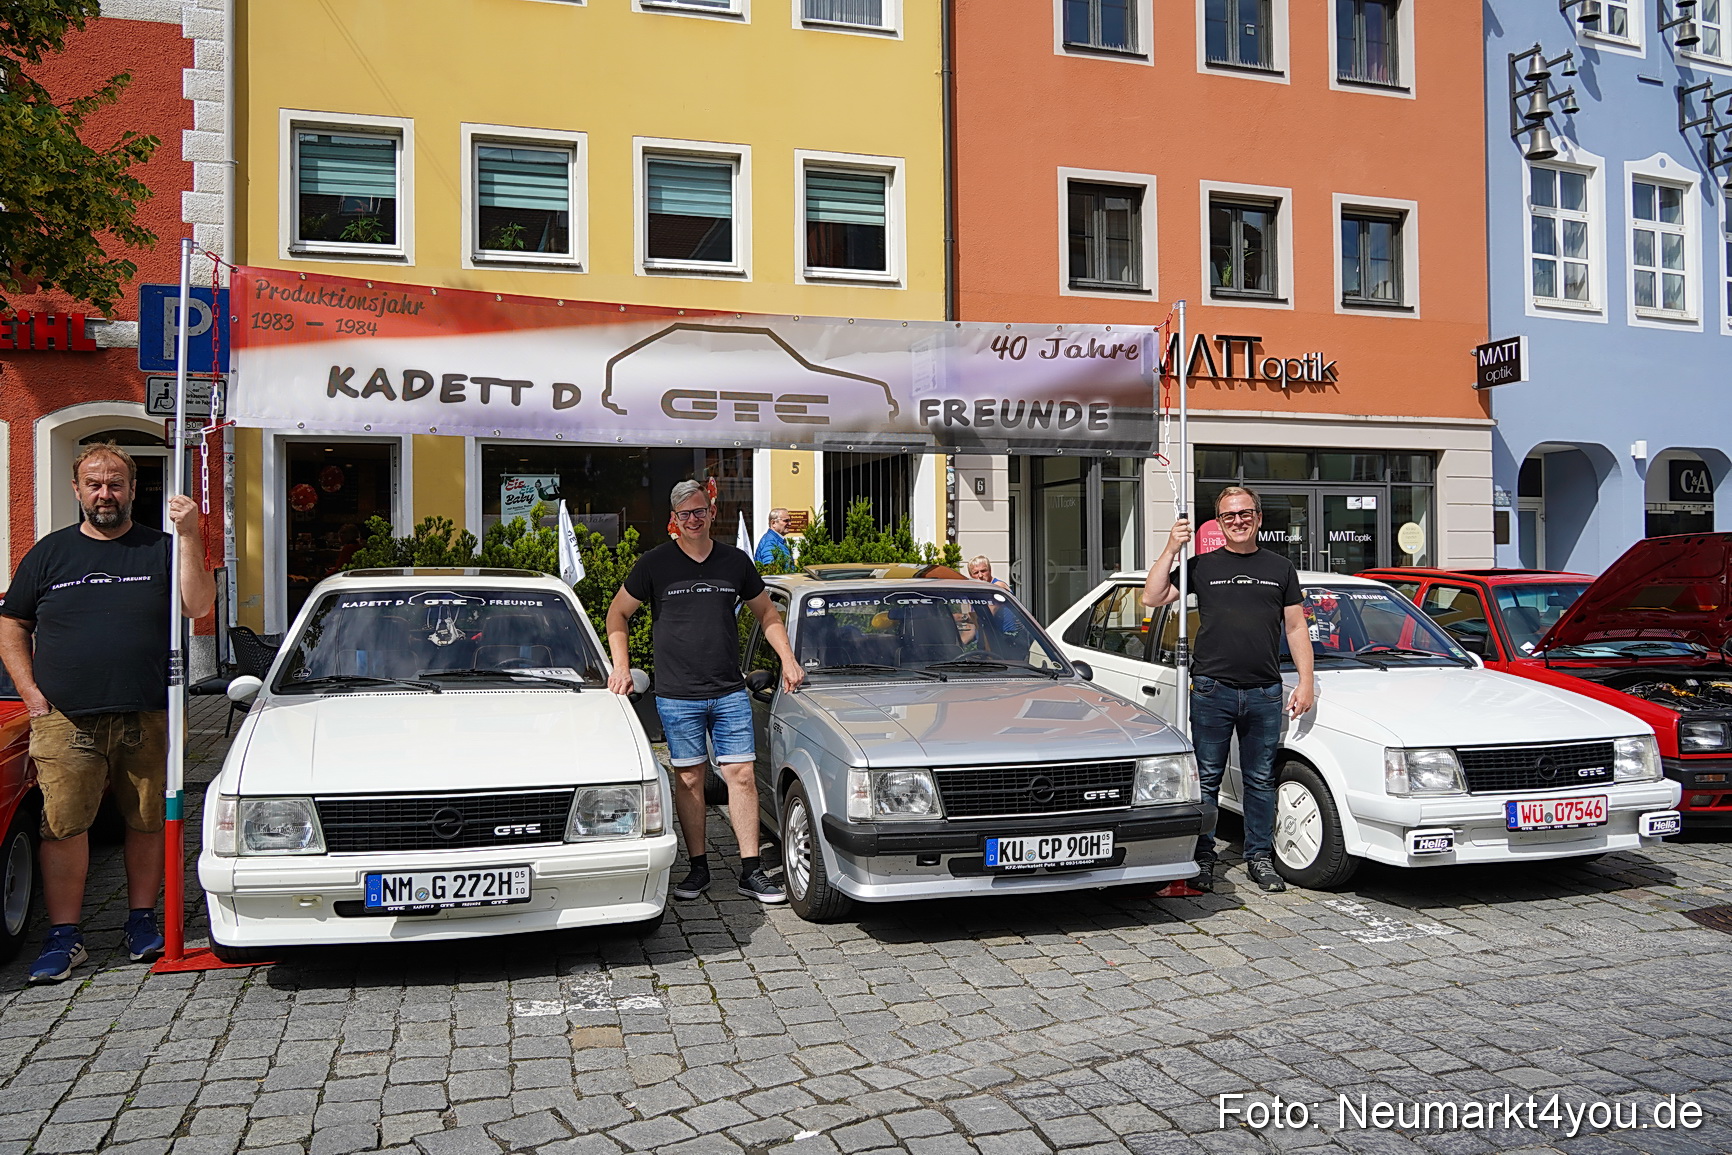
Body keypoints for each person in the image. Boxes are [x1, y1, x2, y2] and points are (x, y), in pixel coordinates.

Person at [0, 442, 216, 982]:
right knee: (63, 826)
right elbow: (13, 623)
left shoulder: (161, 548)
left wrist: (190, 534)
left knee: (148, 820)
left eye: (115, 484)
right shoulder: (48, 554)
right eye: (94, 484)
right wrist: (30, 693)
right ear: (76, 489)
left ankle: (141, 921)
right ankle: (65, 936)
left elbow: (198, 605)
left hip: (149, 713)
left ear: (133, 490)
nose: (105, 493)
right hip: (66, 718)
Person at [607, 480, 803, 903]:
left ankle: (751, 870)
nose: (693, 519)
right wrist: (621, 667)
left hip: (729, 690)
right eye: (685, 514)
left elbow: (767, 613)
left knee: (742, 776)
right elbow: (617, 614)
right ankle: (698, 868)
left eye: (699, 511)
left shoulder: (735, 562)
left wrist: (787, 659)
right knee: (690, 778)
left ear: (712, 513)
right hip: (676, 695)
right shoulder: (654, 563)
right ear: (673, 520)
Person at [1140, 486, 1314, 894]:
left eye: (1245, 513)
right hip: (1211, 689)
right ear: (1219, 522)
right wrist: (1171, 548)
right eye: (1229, 515)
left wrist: (1307, 681)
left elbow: (1295, 627)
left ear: (1258, 517)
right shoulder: (1201, 565)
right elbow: (1152, 596)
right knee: (1207, 781)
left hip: (1264, 692)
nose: (1238, 520)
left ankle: (1259, 857)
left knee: (1260, 780)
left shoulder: (1281, 568)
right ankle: (1203, 857)